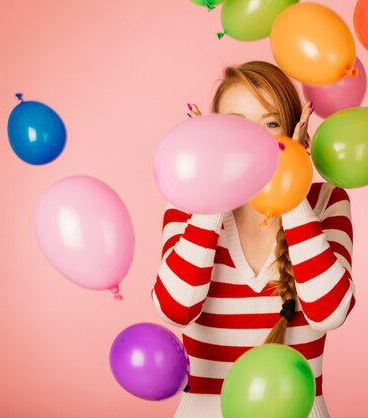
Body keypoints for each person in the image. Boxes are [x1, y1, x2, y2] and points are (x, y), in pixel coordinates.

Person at [151, 61, 355, 418]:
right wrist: (211, 189)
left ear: (297, 132)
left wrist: (289, 189)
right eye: (235, 125)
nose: (254, 140)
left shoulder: (326, 201)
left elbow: (329, 313)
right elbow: (176, 309)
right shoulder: (188, 205)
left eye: (271, 124)